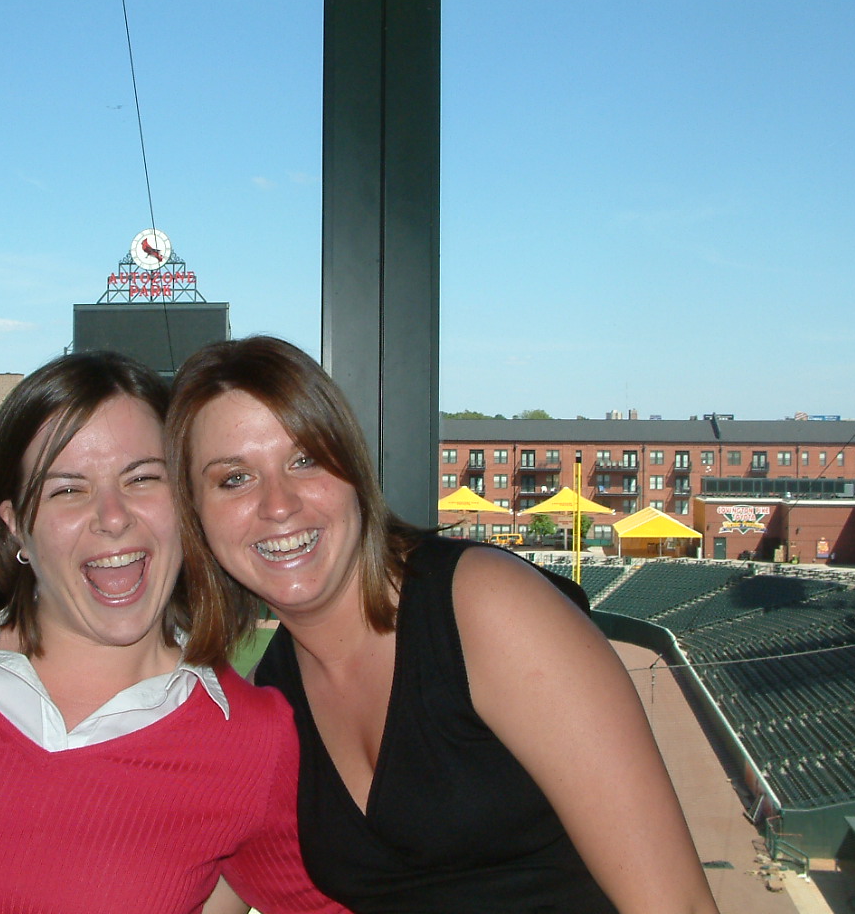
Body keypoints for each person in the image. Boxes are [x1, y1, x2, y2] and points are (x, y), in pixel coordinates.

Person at [167, 335, 721, 914]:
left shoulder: (485, 608)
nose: (278, 504)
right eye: (233, 478)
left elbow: (674, 903)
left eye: (304, 459)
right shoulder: (274, 693)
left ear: (353, 470)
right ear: (197, 517)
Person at [0, 350, 345, 914]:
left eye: (142, 479)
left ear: (185, 506)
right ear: (16, 525)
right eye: (67, 489)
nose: (113, 516)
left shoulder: (254, 739)